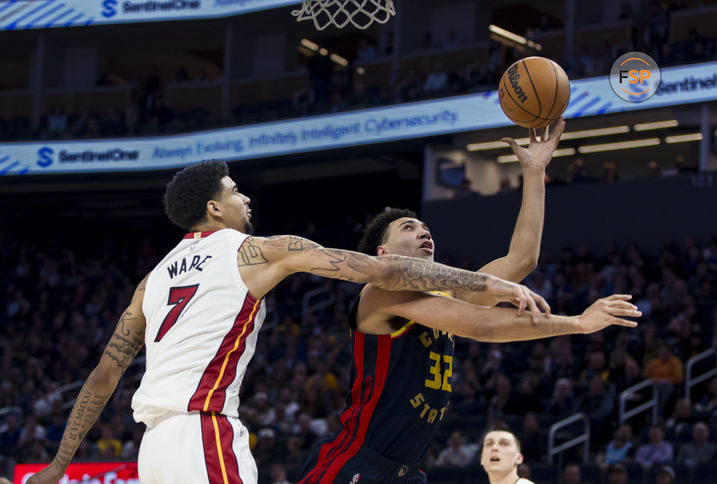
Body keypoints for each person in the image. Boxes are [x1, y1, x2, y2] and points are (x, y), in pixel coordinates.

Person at [27, 160, 547, 484]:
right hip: (204, 432)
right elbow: (380, 268)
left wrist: (57, 464)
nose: (245, 197)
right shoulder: (258, 249)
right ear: (214, 207)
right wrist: (490, 284)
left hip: (153, 451)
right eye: (234, 191)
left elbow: (103, 376)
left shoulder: (151, 281)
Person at [296, 121, 641, 484]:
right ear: (382, 251)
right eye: (408, 228)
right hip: (356, 462)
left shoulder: (450, 293)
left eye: (425, 227)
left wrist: (535, 171)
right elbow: (481, 325)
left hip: (407, 473)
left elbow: (522, 260)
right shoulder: (380, 293)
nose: (423, 231)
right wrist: (577, 324)